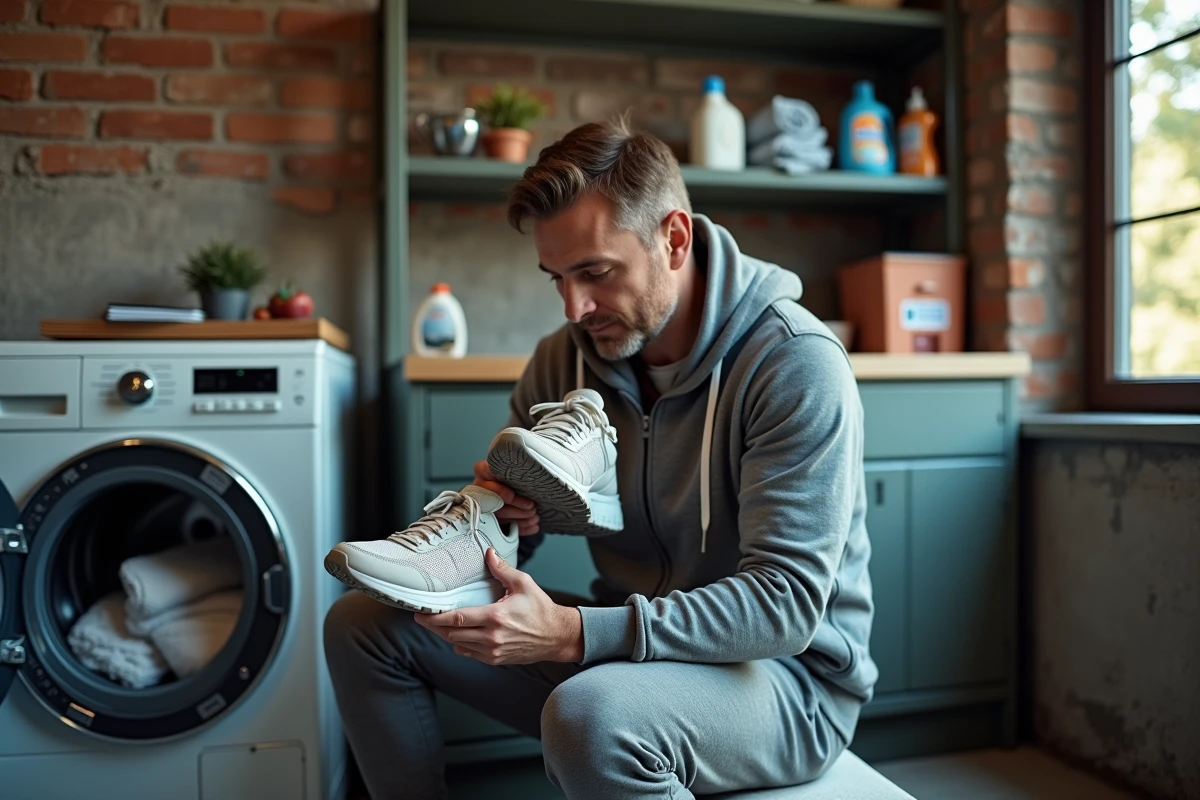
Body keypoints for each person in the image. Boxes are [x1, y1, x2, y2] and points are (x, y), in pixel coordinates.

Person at [324, 117, 876, 800]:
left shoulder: (793, 362)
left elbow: (784, 607)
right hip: (630, 647)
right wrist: (511, 528)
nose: (575, 306)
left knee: (590, 716)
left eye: (595, 272)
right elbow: (509, 551)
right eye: (556, 277)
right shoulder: (565, 360)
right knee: (365, 625)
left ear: (673, 239)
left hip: (784, 681)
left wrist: (570, 634)